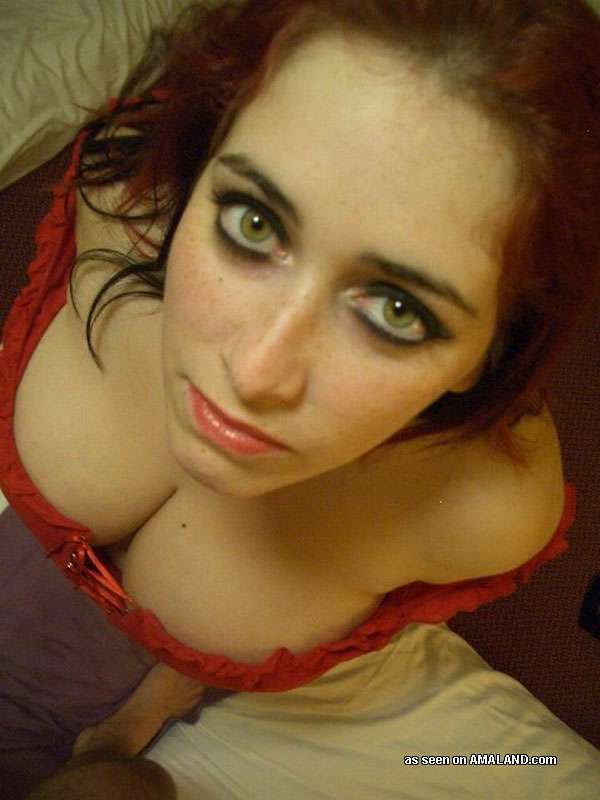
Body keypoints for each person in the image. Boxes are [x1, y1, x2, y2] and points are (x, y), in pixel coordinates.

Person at [1, 0, 599, 795]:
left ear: (491, 350)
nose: (253, 374)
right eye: (253, 222)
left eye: (397, 309)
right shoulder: (122, 202)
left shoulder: (484, 510)